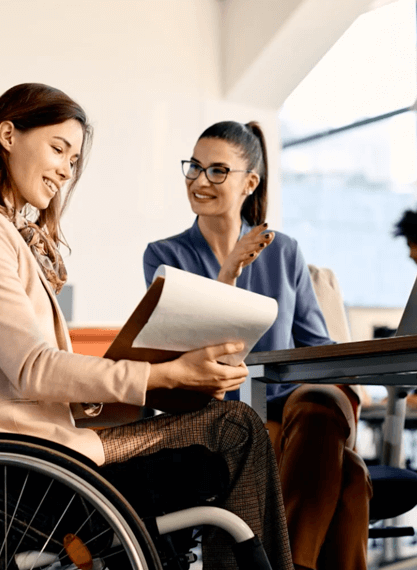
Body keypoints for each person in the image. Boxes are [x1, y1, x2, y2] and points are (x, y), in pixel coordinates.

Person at [0, 83, 293, 569]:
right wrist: (167, 375)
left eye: (73, 160)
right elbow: (33, 368)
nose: (65, 170)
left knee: (231, 426)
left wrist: (152, 375)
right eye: (58, 149)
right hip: (29, 464)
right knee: (234, 429)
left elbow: (30, 374)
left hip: (47, 447)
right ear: (8, 134)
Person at [143, 121, 372, 570]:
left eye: (217, 171)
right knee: (350, 477)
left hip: (298, 407)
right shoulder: (164, 256)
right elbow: (182, 357)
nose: (199, 180)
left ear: (250, 182)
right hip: (224, 413)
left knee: (321, 401)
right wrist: (227, 274)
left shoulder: (284, 251)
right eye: (194, 167)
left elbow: (316, 345)